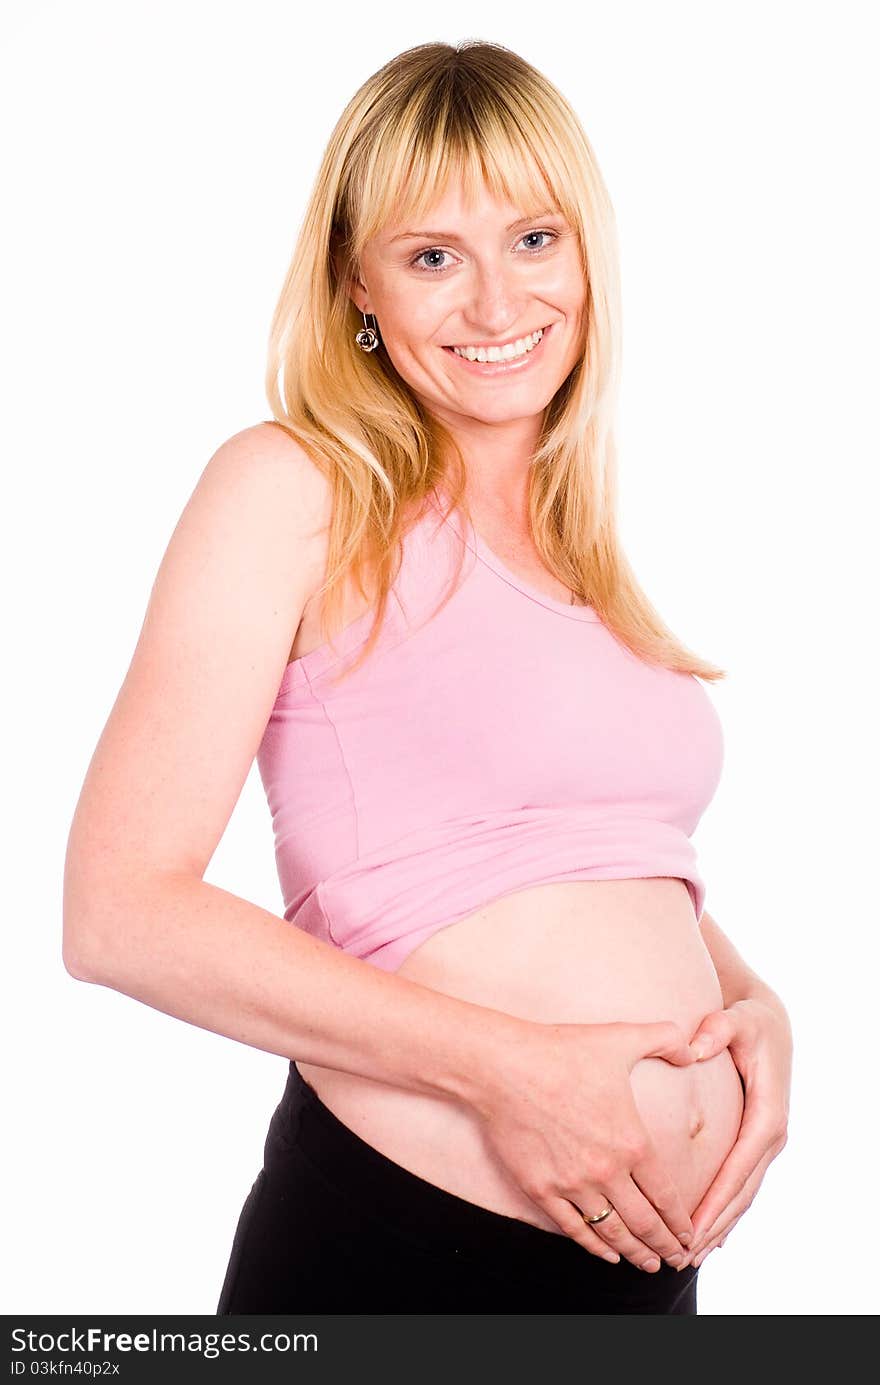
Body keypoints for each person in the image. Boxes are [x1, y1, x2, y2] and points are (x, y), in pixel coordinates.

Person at [62, 40, 792, 1315]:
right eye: (432, 255)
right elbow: (118, 909)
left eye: (533, 238)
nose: (496, 304)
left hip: (636, 1274)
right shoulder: (295, 488)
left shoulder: (582, 561)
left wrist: (750, 1002)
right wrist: (513, 1073)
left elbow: (567, 860)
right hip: (401, 1248)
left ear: (585, 253)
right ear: (361, 282)